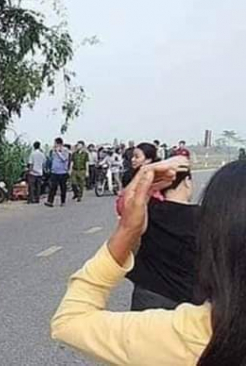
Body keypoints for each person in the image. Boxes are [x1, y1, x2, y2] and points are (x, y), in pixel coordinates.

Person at [49, 156, 246, 365]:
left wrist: (126, 231)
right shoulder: (187, 216)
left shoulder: (187, 335)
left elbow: (69, 321)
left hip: (151, 295)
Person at [127, 169, 199, 311]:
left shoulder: (145, 211)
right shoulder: (204, 217)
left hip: (149, 294)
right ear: (187, 182)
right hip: (189, 301)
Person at [45, 138, 70, 208]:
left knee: (63, 187)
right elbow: (52, 159)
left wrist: (58, 152)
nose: (54, 144)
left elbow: (64, 159)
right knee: (52, 187)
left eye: (55, 143)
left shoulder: (65, 150)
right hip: (54, 171)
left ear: (59, 143)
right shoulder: (53, 151)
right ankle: (50, 201)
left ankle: (63, 201)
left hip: (62, 172)